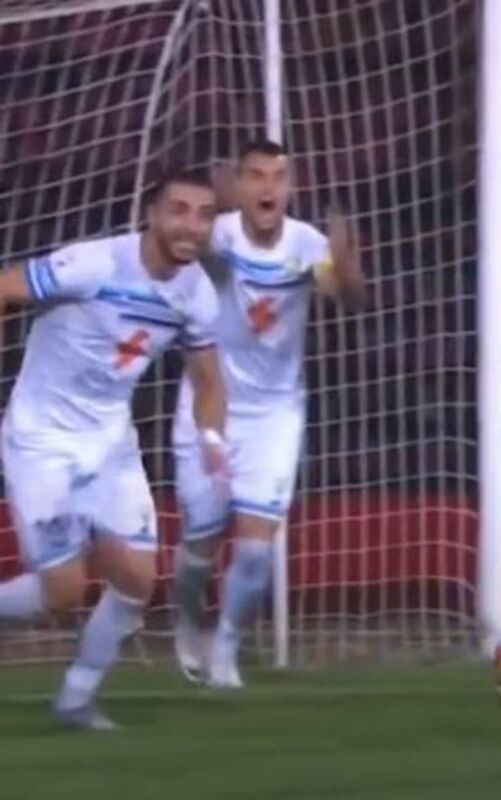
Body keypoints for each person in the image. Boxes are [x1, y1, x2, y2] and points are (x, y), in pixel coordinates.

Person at [0, 169, 226, 730]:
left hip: (110, 446)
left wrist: (212, 438)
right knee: (62, 592)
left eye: (204, 215)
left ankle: (75, 700)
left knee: (137, 579)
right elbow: (7, 288)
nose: (191, 226)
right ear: (152, 214)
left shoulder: (197, 292)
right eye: (179, 210)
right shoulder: (92, 264)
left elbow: (209, 379)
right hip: (42, 441)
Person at [171, 139, 365, 689]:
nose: (268, 187)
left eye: (278, 177)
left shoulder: (307, 246)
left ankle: (226, 652)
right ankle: (186, 619)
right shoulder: (219, 234)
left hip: (276, 413)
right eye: (256, 176)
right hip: (210, 402)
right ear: (239, 184)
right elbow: (191, 262)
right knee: (201, 538)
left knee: (256, 547)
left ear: (291, 187)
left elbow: (345, 296)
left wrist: (347, 266)